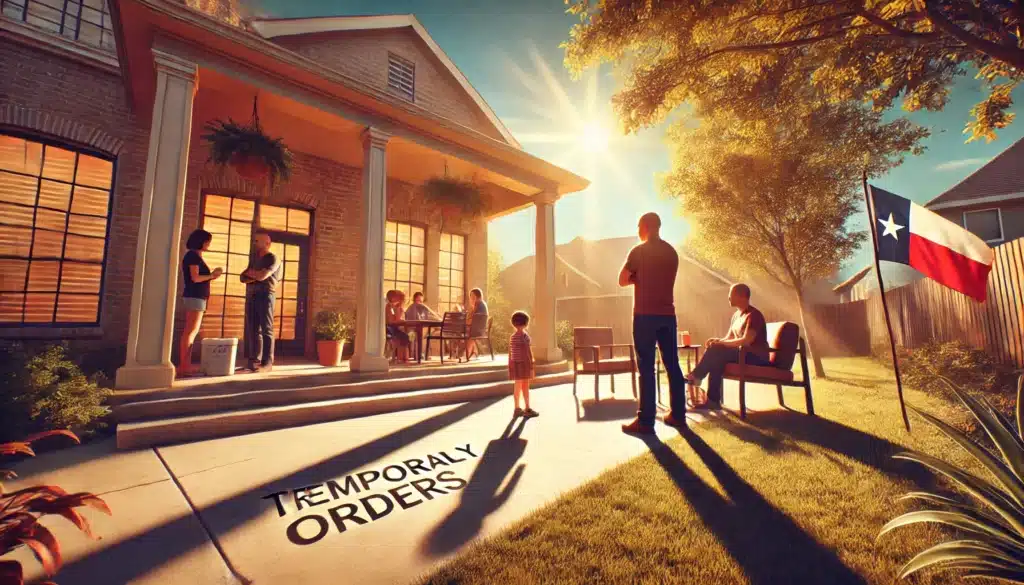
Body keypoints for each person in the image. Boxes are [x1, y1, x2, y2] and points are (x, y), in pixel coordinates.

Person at [619, 212, 687, 434]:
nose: (637, 232)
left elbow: (622, 279)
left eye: (639, 227)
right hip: (668, 316)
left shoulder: (639, 251)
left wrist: (637, 278)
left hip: (645, 316)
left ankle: (646, 422)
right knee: (672, 365)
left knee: (646, 368)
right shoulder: (671, 252)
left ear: (646, 226)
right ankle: (678, 415)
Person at [686, 283, 771, 409]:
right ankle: (712, 401)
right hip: (742, 353)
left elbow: (746, 341)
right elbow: (729, 338)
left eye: (731, 294)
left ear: (742, 296)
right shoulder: (737, 315)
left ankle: (697, 376)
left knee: (717, 350)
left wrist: (721, 344)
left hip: (756, 357)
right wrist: (718, 340)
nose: (728, 297)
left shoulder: (754, 315)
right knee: (717, 357)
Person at [177, 229, 223, 376]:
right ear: (202, 241)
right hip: (195, 296)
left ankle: (186, 365)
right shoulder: (192, 256)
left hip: (197, 297)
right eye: (208, 241)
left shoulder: (195, 256)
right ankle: (184, 366)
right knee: (190, 332)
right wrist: (212, 275)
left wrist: (211, 276)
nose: (209, 244)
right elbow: (195, 278)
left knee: (191, 332)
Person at [240, 230, 282, 373]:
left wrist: (253, 274)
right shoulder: (254, 258)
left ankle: (267, 363)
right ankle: (253, 362)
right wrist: (254, 275)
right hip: (251, 295)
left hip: (266, 295)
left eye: (257, 241)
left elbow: (263, 276)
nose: (255, 243)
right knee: (252, 329)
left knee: (266, 329)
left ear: (267, 243)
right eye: (254, 241)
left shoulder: (273, 258)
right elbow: (242, 277)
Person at [508, 311, 538, 418]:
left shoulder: (512, 337)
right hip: (524, 364)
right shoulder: (525, 337)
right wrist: (531, 366)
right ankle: (527, 408)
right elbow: (528, 352)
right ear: (526, 323)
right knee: (525, 386)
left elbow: (511, 353)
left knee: (517, 385)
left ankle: (517, 408)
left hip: (516, 364)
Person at [385, 289, 412, 363]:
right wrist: (398, 311)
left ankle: (403, 357)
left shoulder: (394, 307)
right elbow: (392, 321)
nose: (401, 301)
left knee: (406, 335)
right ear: (393, 298)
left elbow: (397, 319)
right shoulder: (389, 307)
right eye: (399, 299)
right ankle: (402, 357)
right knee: (403, 336)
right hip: (389, 328)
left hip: (395, 327)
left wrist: (399, 311)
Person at [466, 287, 489, 359]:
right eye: (470, 296)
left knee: (462, 334)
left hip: (477, 331)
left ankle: (466, 355)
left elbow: (472, 320)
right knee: (464, 334)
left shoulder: (479, 305)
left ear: (477, 296)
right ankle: (472, 353)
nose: (471, 298)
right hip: (480, 330)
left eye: (472, 296)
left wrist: (466, 321)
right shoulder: (481, 304)